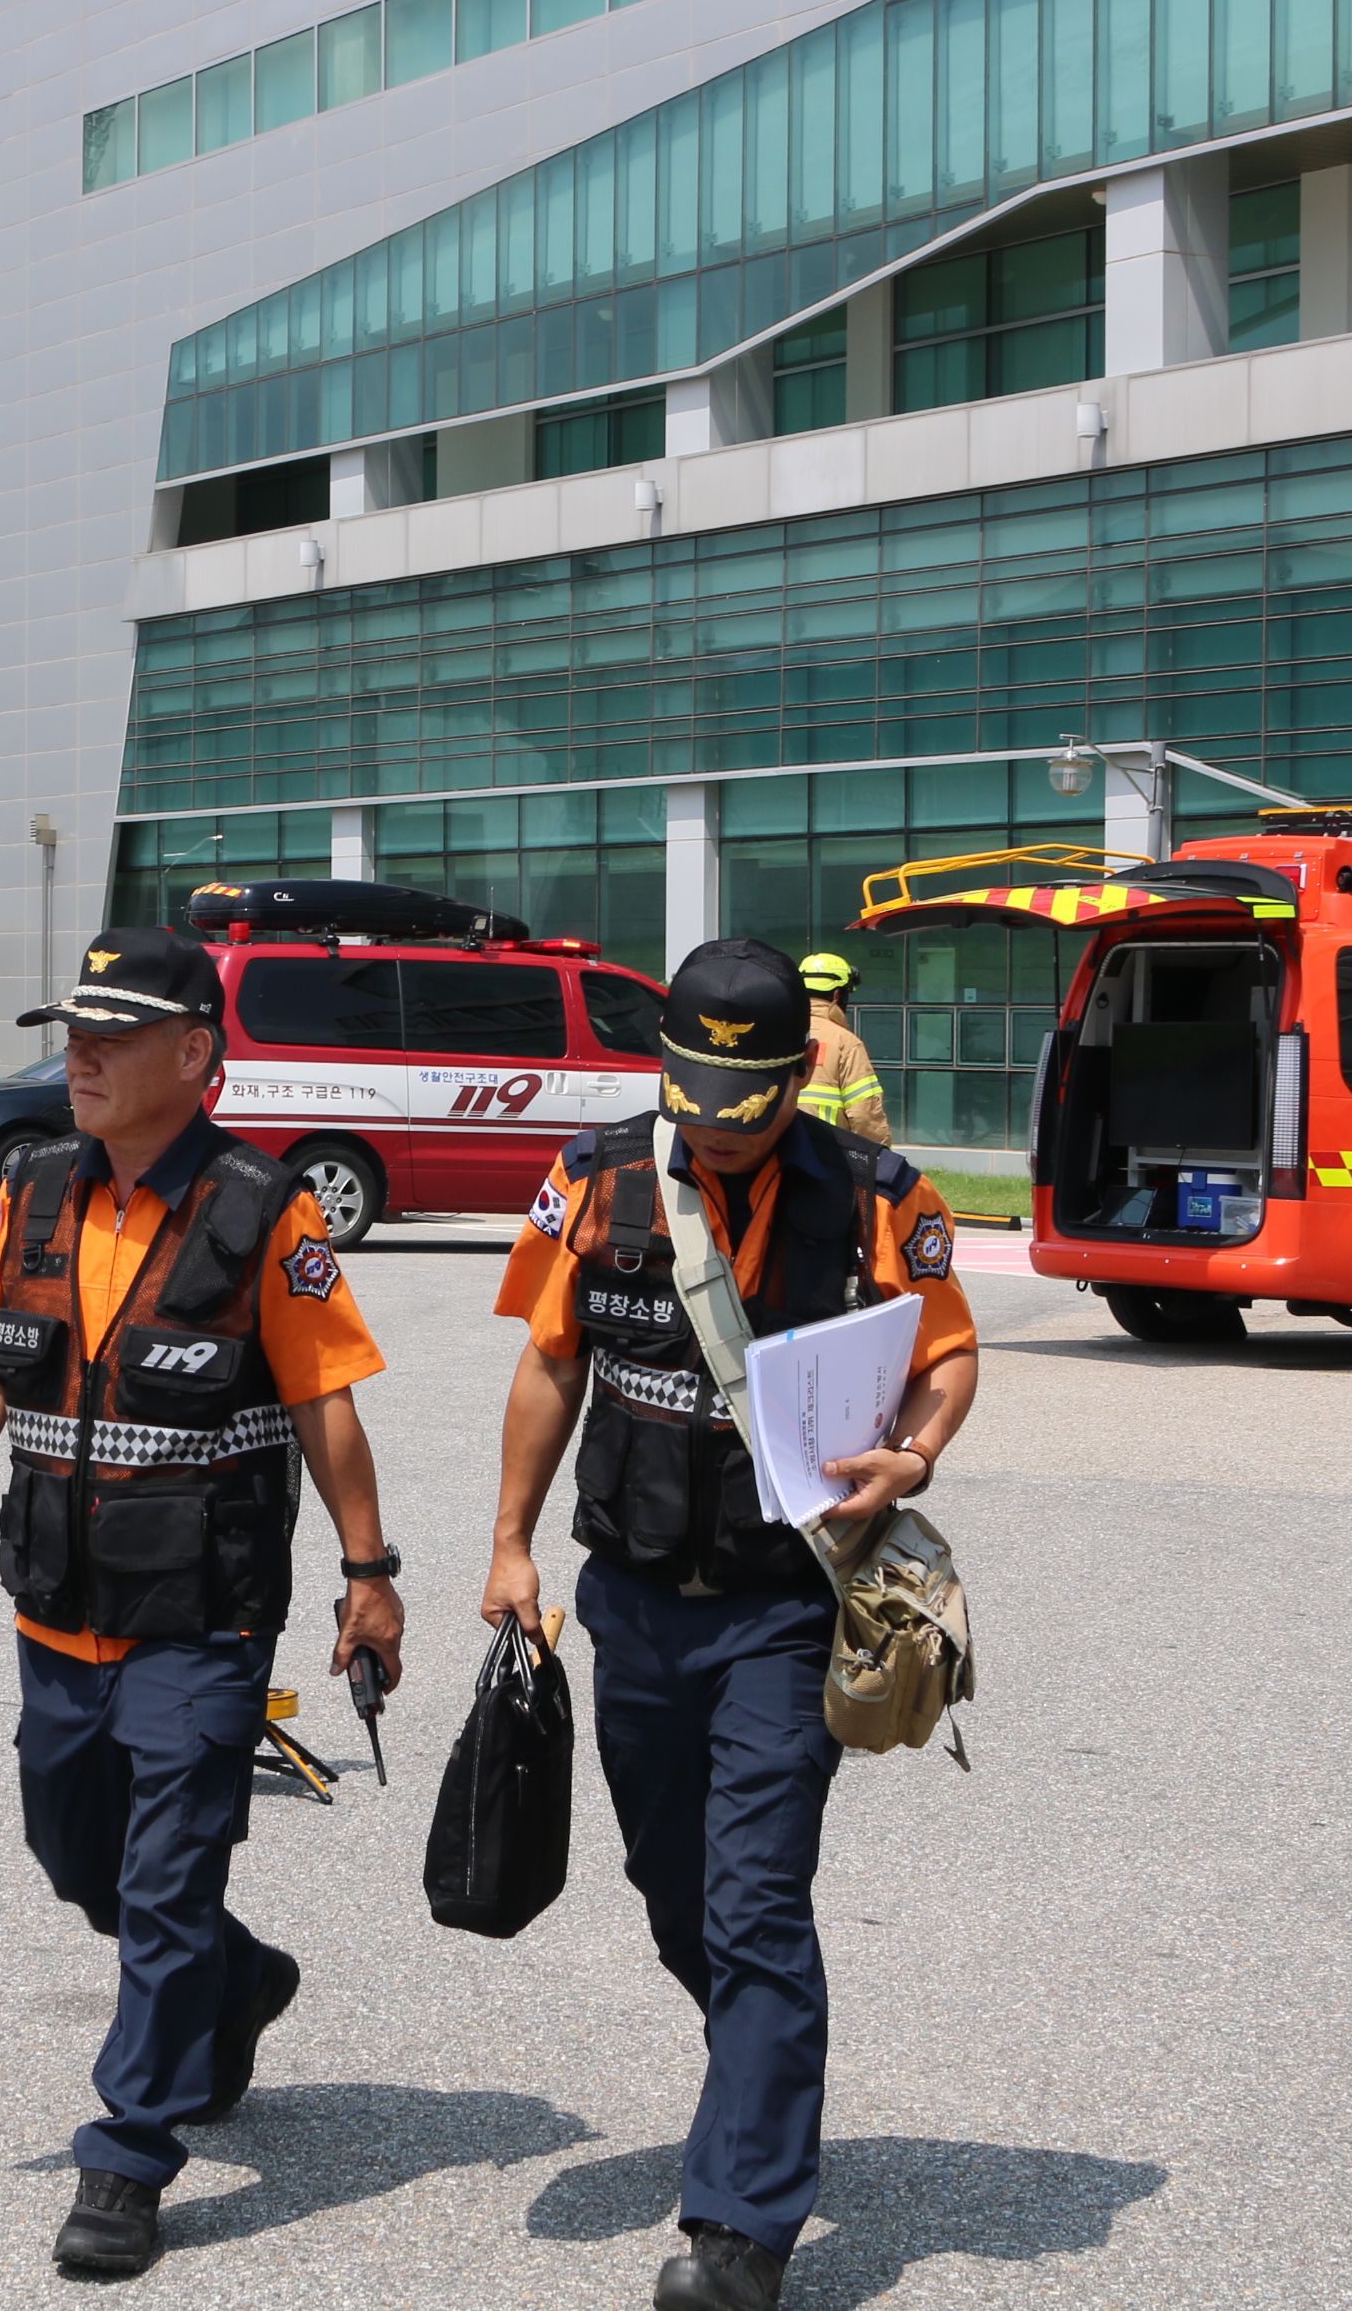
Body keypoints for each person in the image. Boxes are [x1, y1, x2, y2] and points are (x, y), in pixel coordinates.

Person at [0, 924, 409, 2278]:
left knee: (167, 1883)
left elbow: (325, 1405)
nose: (82, 1056)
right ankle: (238, 1979)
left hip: (201, 1614)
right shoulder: (36, 1188)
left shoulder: (262, 1208)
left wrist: (369, 1576)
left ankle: (128, 2154)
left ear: (194, 1053)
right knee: (79, 1859)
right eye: (75, 1033)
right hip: (58, 1606)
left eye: (113, 1036)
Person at [478, 938, 981, 2311]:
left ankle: (741, 2225)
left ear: (797, 1076)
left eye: (743, 1105)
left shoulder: (878, 1196)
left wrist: (915, 1454)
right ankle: (761, 2059)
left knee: (756, 1898)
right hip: (635, 1600)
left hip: (783, 1609)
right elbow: (549, 1365)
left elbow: (948, 1354)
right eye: (693, 1097)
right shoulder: (597, 1180)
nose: (715, 1126)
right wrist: (511, 1542)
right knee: (673, 1888)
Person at [793, 953, 887, 1143]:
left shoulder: (774, 1033)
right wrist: (880, 1155)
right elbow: (864, 1115)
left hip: (776, 1154)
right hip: (826, 1153)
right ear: (837, 995)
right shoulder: (846, 1043)